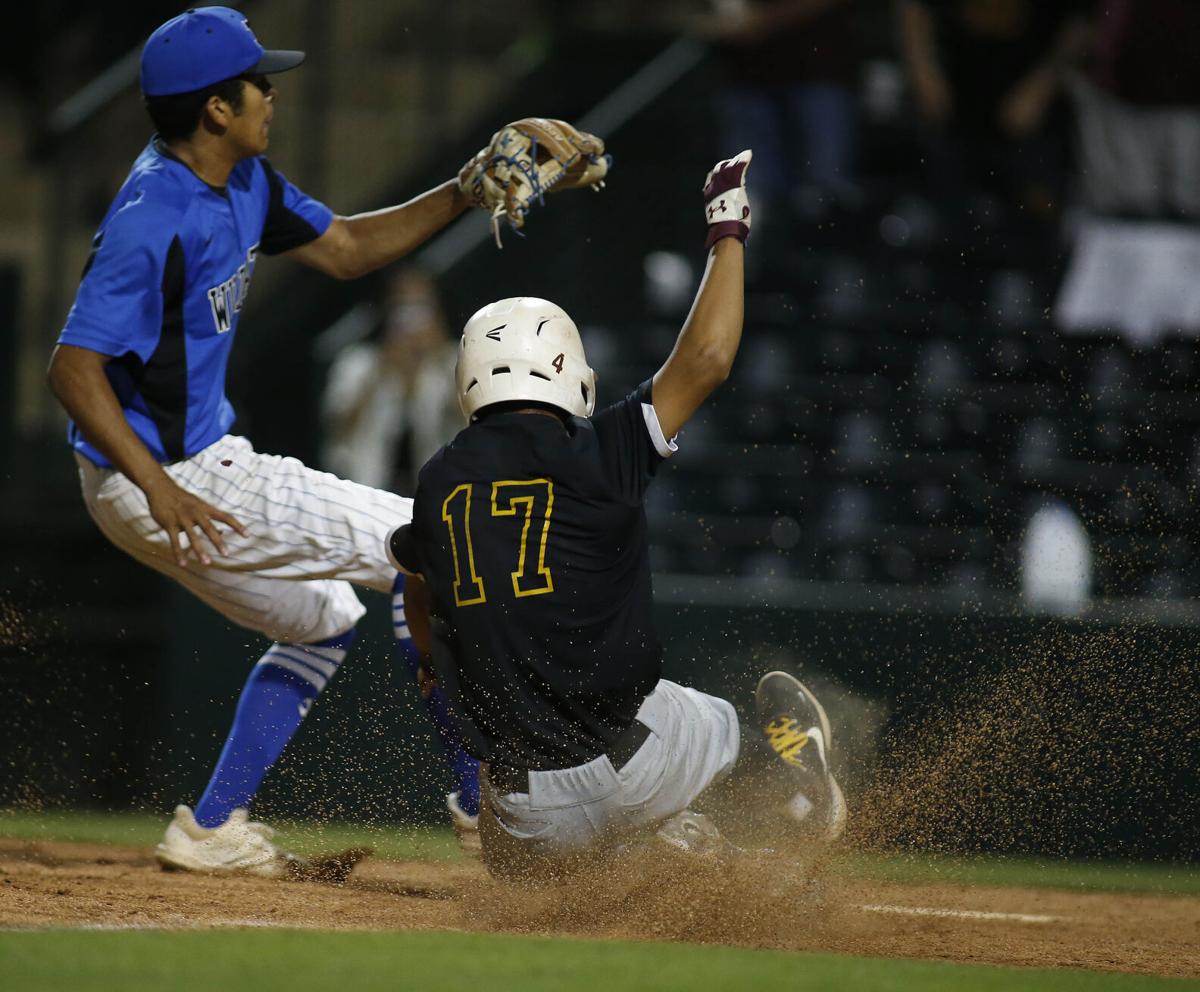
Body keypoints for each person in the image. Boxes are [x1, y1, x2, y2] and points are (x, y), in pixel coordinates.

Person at [45, 7, 591, 876]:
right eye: (258, 82)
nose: (272, 93)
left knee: (326, 618)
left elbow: (345, 248)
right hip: (174, 475)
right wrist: (159, 485)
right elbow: (73, 370)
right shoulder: (154, 214)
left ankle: (211, 828)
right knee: (430, 543)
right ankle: (484, 801)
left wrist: (463, 189)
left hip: (167, 476)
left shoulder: (244, 180)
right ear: (215, 109)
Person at [386, 151, 846, 879]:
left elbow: (412, 579)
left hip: (529, 822)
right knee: (712, 720)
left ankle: (659, 851)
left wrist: (429, 668)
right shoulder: (601, 448)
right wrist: (727, 228)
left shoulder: (439, 480)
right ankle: (794, 796)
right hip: (637, 765)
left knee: (518, 856)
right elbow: (708, 358)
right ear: (569, 371)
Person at [321, 267, 460, 494]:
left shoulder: (454, 360)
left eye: (421, 306)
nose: (413, 318)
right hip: (367, 491)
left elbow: (471, 423)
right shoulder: (358, 362)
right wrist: (382, 369)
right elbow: (337, 429)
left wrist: (439, 353)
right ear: (387, 309)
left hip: (440, 493)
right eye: (403, 306)